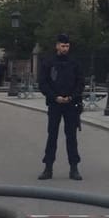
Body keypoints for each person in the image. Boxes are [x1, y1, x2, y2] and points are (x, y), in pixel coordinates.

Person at [38, 32, 84, 180]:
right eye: (63, 46)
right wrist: (54, 97)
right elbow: (43, 83)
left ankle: (74, 168)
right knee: (52, 136)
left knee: (71, 137)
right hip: (54, 103)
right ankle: (48, 168)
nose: (65, 49)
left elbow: (80, 83)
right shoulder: (48, 62)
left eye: (67, 46)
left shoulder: (74, 63)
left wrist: (72, 97)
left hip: (71, 104)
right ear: (57, 46)